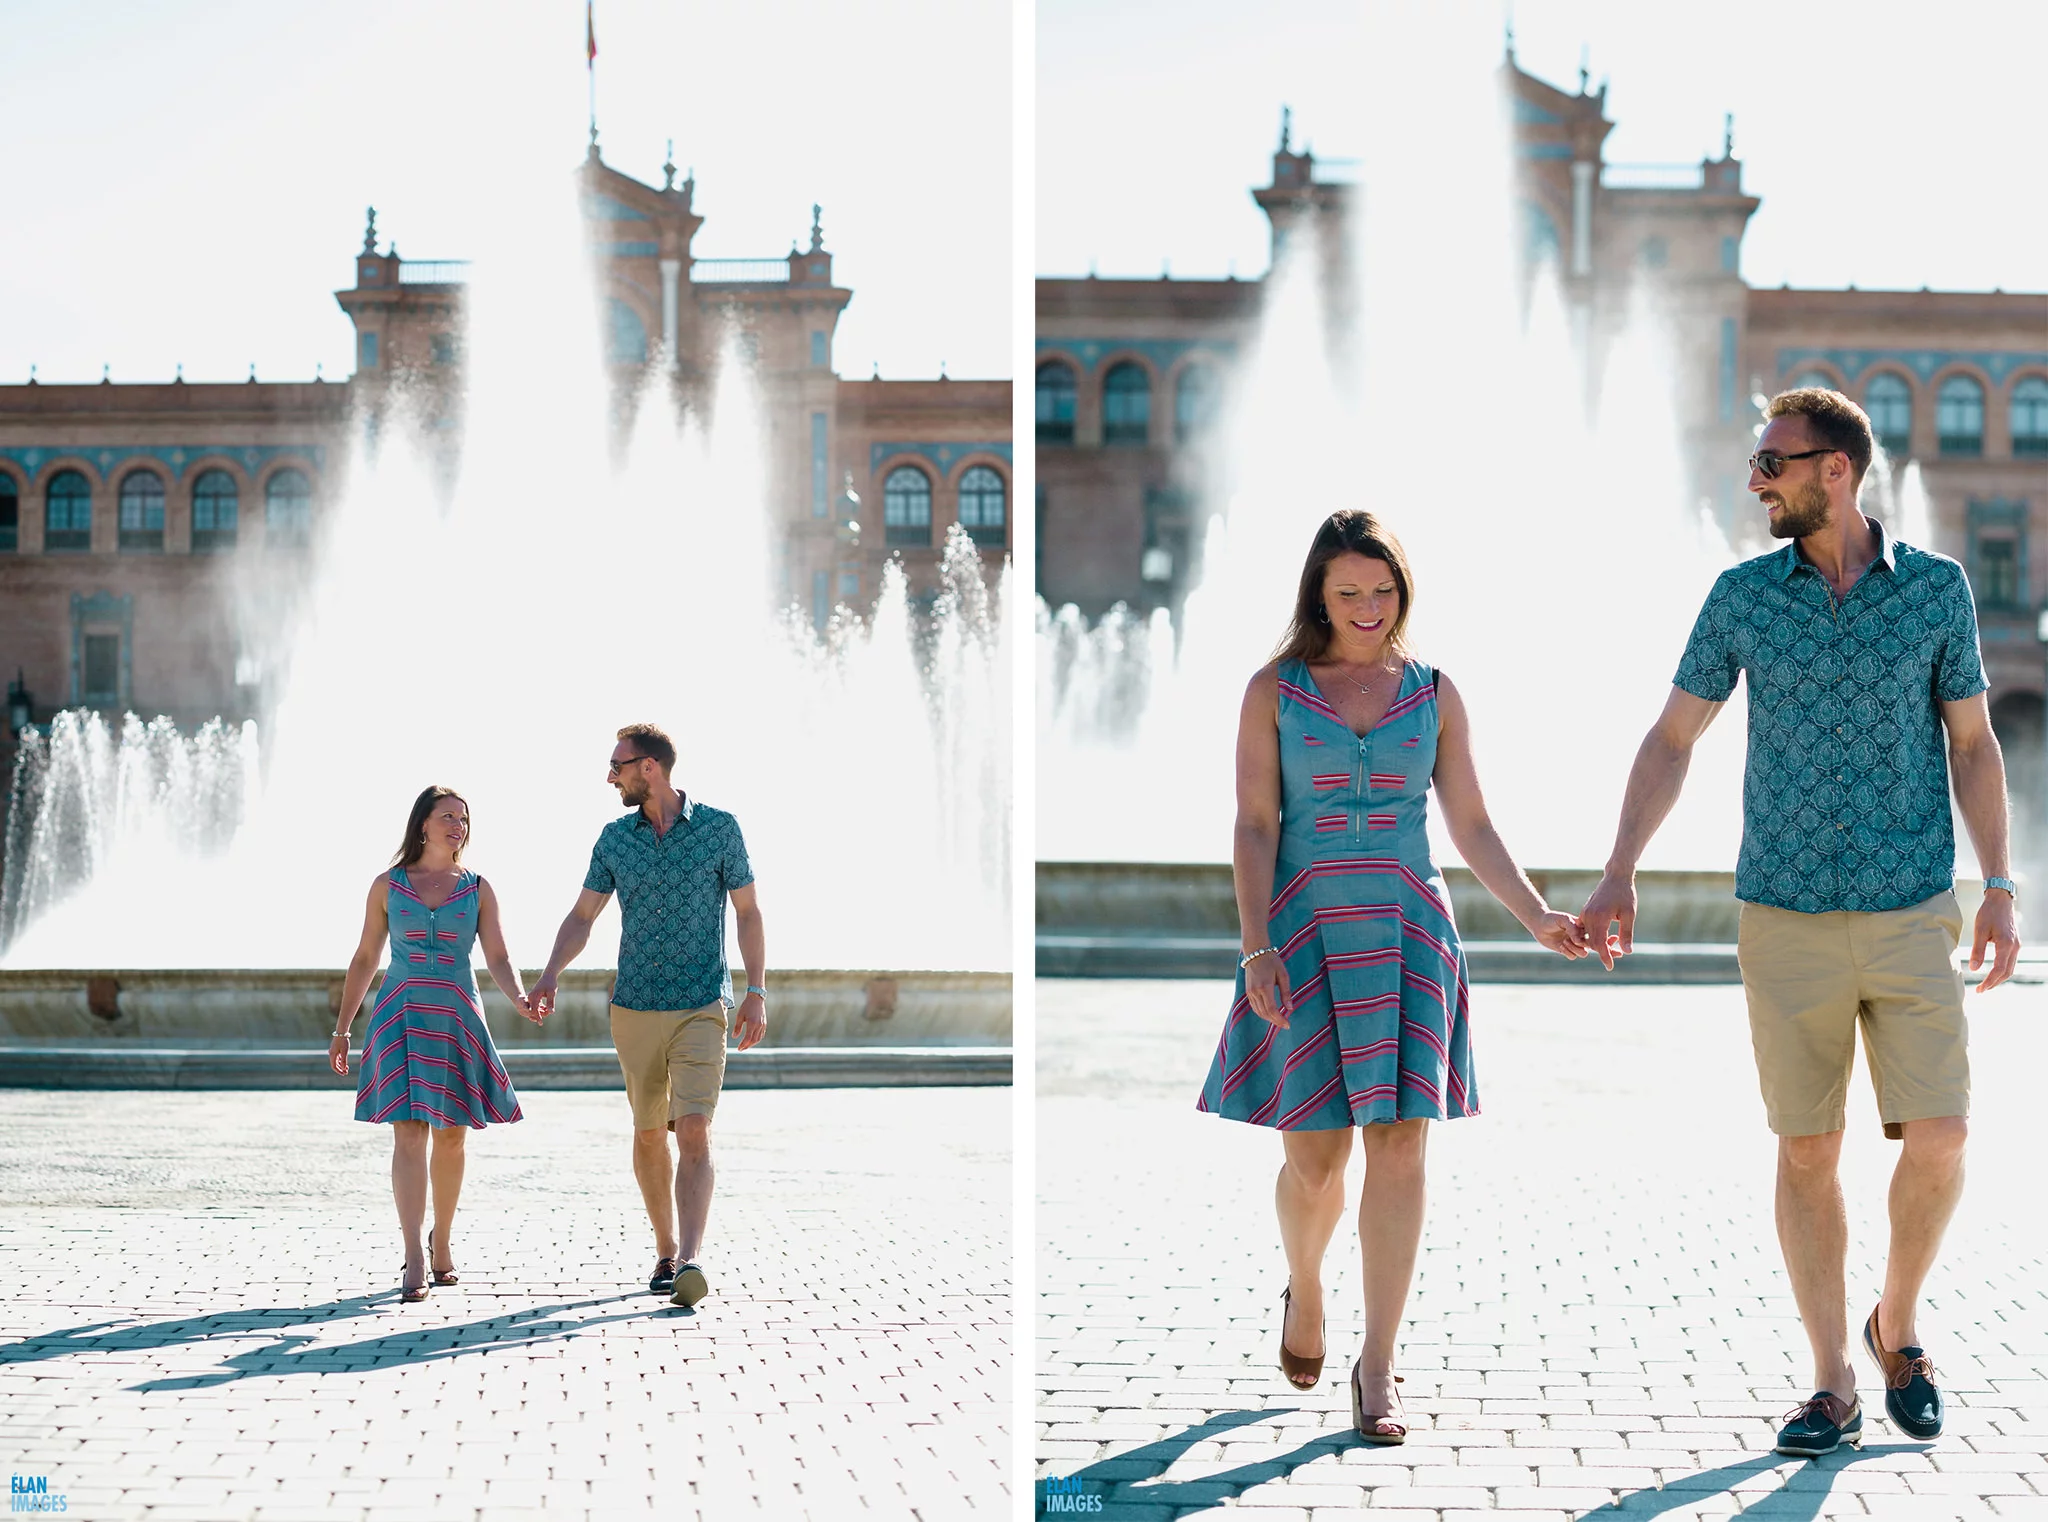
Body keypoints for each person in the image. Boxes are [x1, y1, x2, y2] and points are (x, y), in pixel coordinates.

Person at [1579, 387, 2019, 1457]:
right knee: (1806, 1150)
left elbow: (1969, 742)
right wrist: (1617, 867)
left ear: (1834, 470)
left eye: (1771, 461)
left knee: (1943, 1135)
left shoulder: (1934, 593)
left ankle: (1896, 1324)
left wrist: (1998, 881)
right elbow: (1672, 736)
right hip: (1781, 914)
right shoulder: (1739, 596)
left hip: (1912, 904)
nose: (1753, 479)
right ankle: (1829, 1380)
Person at [1197, 509, 1589, 1442]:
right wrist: (1255, 946)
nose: (1369, 608)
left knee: (1403, 1147)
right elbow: (1254, 824)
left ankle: (1379, 1364)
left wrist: (1537, 915)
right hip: (1303, 935)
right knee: (1314, 1156)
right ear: (1318, 598)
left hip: (1412, 933)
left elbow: (1472, 823)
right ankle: (1306, 1284)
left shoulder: (1436, 691)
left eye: (1383, 590)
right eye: (1348, 594)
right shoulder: (1274, 690)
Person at [530, 723, 766, 1310]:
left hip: (701, 1004)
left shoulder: (719, 830)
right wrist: (551, 972)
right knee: (645, 1132)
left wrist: (757, 988)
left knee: (692, 1127)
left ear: (649, 768)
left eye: (618, 765)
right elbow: (583, 916)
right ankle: (664, 1249)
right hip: (634, 1006)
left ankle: (689, 1257)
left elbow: (748, 911)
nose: (610, 776)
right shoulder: (614, 839)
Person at [329, 786, 537, 1303]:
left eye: (463, 819)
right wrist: (342, 1028)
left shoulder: (479, 888)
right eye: (448, 816)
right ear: (423, 823)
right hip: (400, 1015)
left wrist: (519, 998)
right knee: (408, 1135)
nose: (458, 826)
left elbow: (499, 956)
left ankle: (441, 1241)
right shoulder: (387, 885)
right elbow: (364, 958)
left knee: (451, 1137)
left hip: (456, 1018)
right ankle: (414, 1256)